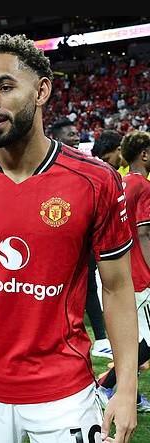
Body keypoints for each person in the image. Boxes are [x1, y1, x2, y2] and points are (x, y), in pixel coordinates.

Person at [0, 34, 138, 443]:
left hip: (64, 392)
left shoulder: (95, 180)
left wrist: (126, 387)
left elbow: (116, 286)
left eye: (5, 87)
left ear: (41, 91)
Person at [96, 130, 150, 413]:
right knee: (146, 343)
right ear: (144, 154)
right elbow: (144, 233)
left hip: (123, 271)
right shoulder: (143, 186)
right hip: (141, 274)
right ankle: (104, 386)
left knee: (133, 339)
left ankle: (133, 396)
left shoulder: (123, 182)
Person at [52, 117, 113, 360]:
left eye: (77, 133)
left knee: (91, 286)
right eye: (70, 134)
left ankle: (101, 338)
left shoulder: (86, 167)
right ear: (56, 137)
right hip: (57, 241)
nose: (76, 137)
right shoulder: (49, 168)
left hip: (84, 238)